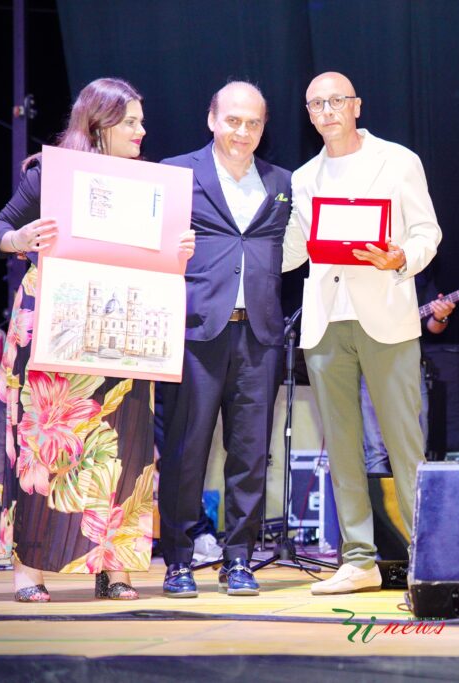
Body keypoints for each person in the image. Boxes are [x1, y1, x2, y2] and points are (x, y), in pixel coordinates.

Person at [0, 77, 196, 602]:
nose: (143, 130)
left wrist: (177, 249)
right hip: (54, 322)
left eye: (141, 120)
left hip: (121, 326)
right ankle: (30, 570)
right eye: (132, 121)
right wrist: (20, 239)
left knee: (124, 443)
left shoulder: (148, 186)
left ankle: (115, 567)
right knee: (43, 449)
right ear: (99, 124)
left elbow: (154, 260)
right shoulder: (52, 174)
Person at [282, 72, 442, 594]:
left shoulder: (398, 161)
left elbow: (427, 233)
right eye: (316, 104)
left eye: (336, 101)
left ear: (356, 106)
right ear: (309, 114)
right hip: (325, 316)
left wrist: (403, 257)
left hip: (387, 312)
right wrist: (245, 238)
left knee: (404, 442)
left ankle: (430, 554)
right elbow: (292, 251)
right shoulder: (303, 177)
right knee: (343, 444)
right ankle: (358, 558)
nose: (327, 111)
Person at [156, 81, 292, 598]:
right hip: (196, 332)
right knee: (187, 451)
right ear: (212, 119)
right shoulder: (175, 172)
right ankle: (178, 559)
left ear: (263, 127)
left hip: (259, 334)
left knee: (251, 454)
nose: (243, 131)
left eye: (253, 122)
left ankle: (239, 557)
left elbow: (291, 250)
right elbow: (145, 237)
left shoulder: (281, 182)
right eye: (233, 120)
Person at [361, 272, 454, 474]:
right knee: (376, 450)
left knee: (416, 446)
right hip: (370, 366)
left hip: (409, 366)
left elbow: (433, 327)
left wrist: (441, 315)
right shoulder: (364, 275)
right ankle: (380, 504)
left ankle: (412, 502)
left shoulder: (419, 276)